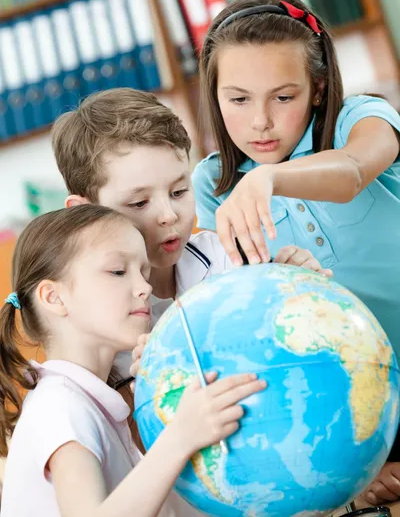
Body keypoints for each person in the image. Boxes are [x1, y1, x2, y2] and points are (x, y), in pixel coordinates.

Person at [191, 0, 400, 506]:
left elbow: (352, 171)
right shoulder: (210, 185)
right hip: (359, 395)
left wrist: (268, 180)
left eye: (283, 98)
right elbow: (254, 322)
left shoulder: (360, 118)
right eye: (238, 99)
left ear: (319, 88)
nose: (260, 121)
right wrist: (350, 462)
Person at [0, 204, 266, 517]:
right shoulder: (59, 404)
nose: (145, 287)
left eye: (144, 271)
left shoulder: (89, 398)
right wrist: (179, 438)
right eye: (117, 271)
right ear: (53, 297)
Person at [52, 88, 331, 379]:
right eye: (139, 203)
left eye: (179, 191)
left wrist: (290, 291)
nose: (169, 215)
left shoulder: (231, 262)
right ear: (83, 211)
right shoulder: (87, 319)